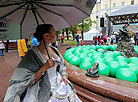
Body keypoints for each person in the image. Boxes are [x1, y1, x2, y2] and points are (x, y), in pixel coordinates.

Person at [4, 24, 81, 102]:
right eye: (54, 32)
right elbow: (28, 81)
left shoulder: (54, 49)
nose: (56, 34)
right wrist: (44, 68)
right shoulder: (31, 54)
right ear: (47, 36)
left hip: (60, 85)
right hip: (42, 90)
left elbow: (61, 66)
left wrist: (63, 75)